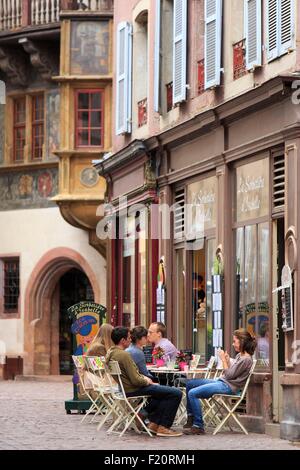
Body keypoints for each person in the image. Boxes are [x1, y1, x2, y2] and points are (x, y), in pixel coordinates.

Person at [106, 327, 183, 437]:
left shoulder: (112, 353)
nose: (130, 339)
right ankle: (164, 427)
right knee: (176, 393)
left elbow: (134, 375)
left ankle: (154, 424)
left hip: (125, 388)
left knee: (164, 393)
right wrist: (147, 381)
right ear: (123, 340)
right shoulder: (123, 355)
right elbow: (135, 379)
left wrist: (145, 379)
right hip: (133, 389)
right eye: (128, 338)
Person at [183, 328, 257, 435]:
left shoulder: (246, 359)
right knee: (190, 384)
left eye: (235, 341)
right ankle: (191, 417)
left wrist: (223, 360)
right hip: (222, 382)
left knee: (192, 393)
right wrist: (227, 360)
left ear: (242, 341)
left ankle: (198, 425)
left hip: (228, 387)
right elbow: (233, 372)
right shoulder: (240, 356)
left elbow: (230, 375)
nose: (233, 344)